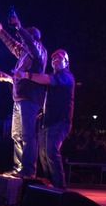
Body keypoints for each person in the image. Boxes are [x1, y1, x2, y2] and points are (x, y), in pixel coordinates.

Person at [0, 12, 47, 179]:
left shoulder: (38, 51)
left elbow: (28, 43)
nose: (21, 42)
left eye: (24, 39)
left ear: (32, 38)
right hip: (19, 98)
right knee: (16, 134)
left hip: (30, 100)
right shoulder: (25, 53)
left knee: (27, 135)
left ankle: (28, 170)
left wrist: (18, 27)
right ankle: (19, 168)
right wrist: (1, 31)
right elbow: (12, 45)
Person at [14, 49, 75, 189]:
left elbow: (46, 79)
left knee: (51, 152)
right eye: (53, 59)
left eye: (60, 58)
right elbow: (41, 84)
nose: (55, 60)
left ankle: (60, 188)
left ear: (66, 62)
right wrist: (10, 78)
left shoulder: (66, 76)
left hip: (60, 121)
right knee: (43, 155)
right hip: (48, 122)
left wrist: (26, 75)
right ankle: (51, 185)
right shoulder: (53, 77)